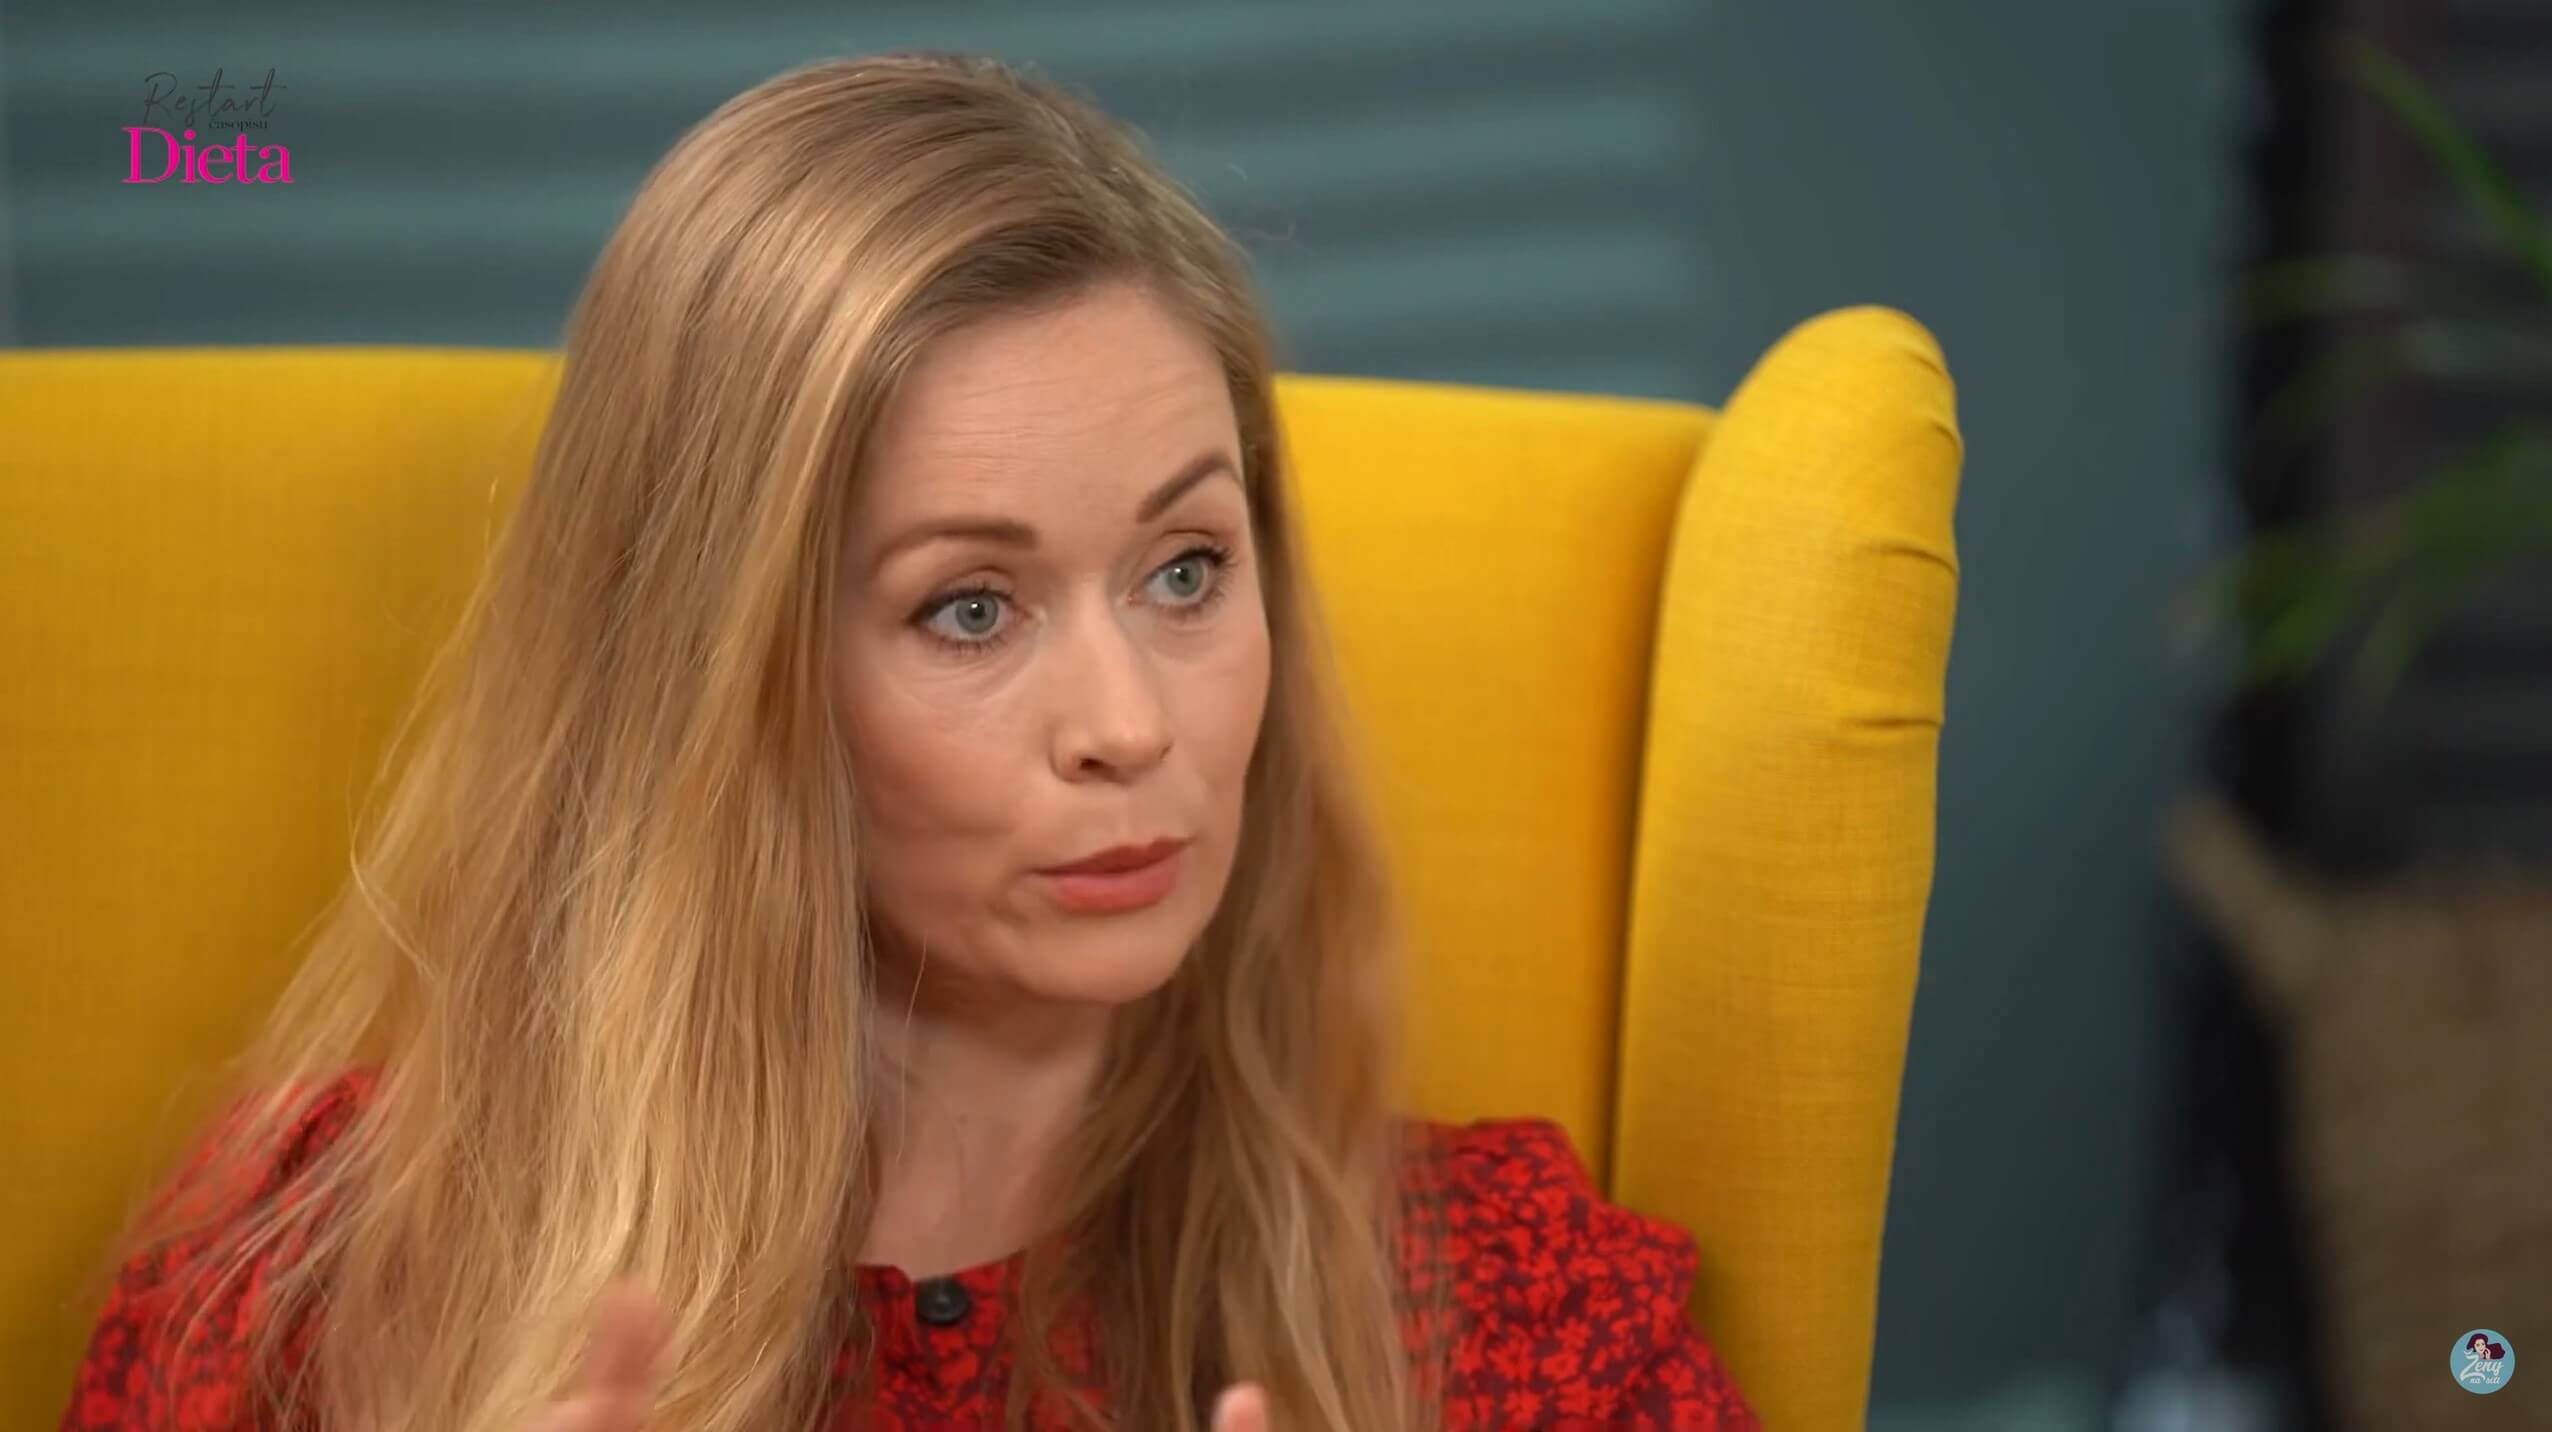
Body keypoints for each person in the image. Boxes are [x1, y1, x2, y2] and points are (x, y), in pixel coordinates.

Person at [57, 50, 1758, 1432]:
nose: (1129, 726)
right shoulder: (311, 1286)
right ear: (723, 676)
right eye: (970, 608)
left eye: (1186, 570)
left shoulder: (1508, 1313)